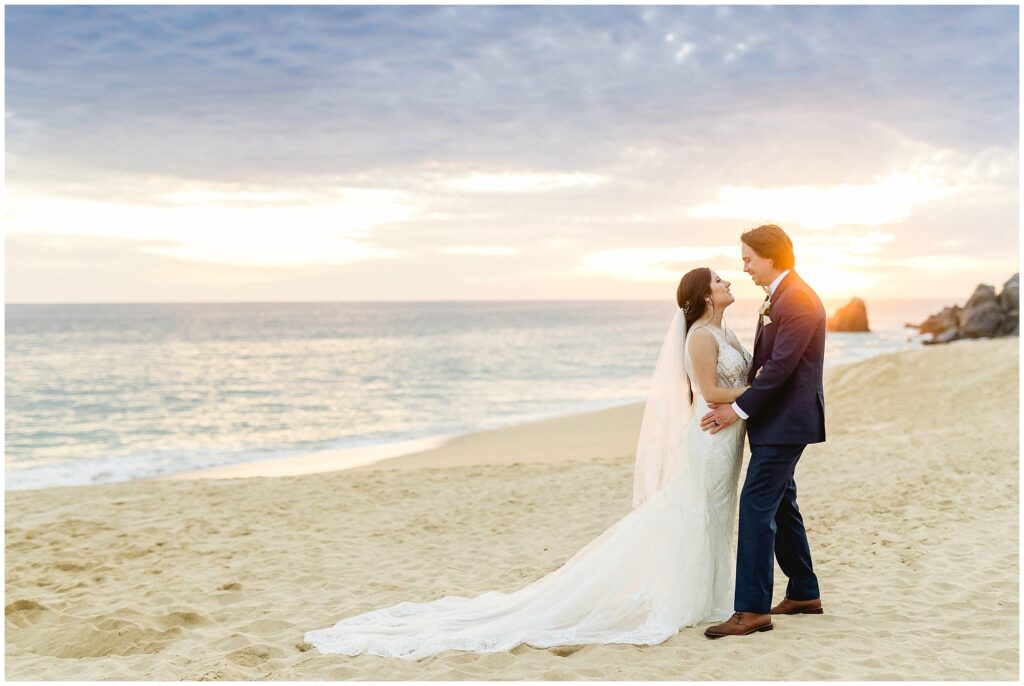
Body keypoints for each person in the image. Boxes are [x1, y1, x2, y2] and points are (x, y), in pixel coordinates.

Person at [303, 267, 754, 660]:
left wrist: (752, 396)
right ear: (701, 295)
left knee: (715, 516)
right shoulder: (698, 336)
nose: (727, 280)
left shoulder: (727, 332)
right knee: (700, 514)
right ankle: (696, 601)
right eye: (718, 279)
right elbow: (712, 394)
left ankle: (712, 597)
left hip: (727, 438)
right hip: (710, 439)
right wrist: (756, 398)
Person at [700, 224, 826, 639]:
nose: (745, 268)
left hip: (787, 421)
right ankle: (804, 592)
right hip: (778, 420)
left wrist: (736, 409)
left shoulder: (800, 300)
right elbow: (767, 364)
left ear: (770, 256)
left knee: (755, 506)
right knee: (781, 503)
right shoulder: (781, 297)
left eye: (749, 259)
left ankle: (752, 610)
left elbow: (780, 370)